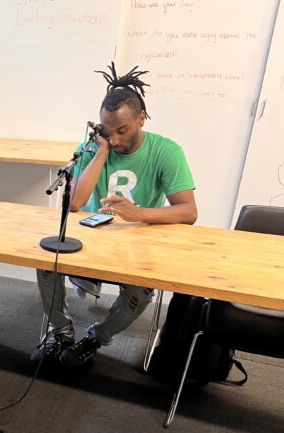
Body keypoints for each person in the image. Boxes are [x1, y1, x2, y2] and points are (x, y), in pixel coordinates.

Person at [31, 63, 198, 368]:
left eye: (123, 130)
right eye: (109, 130)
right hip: (93, 239)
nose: (116, 138)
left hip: (136, 243)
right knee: (45, 262)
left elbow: (188, 211)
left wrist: (139, 214)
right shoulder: (94, 147)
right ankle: (61, 330)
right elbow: (77, 203)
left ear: (141, 118)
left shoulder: (167, 152)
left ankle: (97, 337)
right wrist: (102, 152)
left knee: (142, 289)